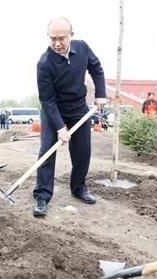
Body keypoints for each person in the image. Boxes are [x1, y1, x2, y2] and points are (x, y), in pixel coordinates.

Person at [33, 17, 107, 217]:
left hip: (78, 108)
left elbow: (96, 68)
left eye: (62, 38)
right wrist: (59, 128)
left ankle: (79, 188)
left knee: (83, 151)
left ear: (71, 36)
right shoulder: (44, 63)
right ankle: (42, 195)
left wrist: (101, 93)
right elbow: (47, 100)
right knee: (47, 151)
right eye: (53, 39)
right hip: (53, 110)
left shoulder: (81, 48)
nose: (57, 43)